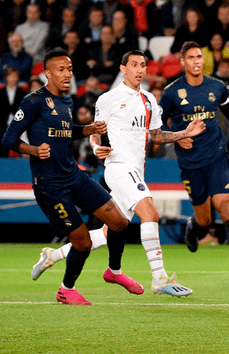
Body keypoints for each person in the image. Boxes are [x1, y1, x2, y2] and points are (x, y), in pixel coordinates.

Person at [30, 50, 206, 296]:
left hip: (136, 171)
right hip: (118, 167)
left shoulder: (149, 100)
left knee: (108, 231)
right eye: (134, 65)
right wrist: (95, 146)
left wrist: (184, 133)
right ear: (123, 69)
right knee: (150, 213)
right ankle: (160, 279)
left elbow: (157, 136)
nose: (140, 69)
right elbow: (95, 131)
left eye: (143, 65)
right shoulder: (108, 99)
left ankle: (54, 255)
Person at [2, 48, 135, 305]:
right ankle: (66, 289)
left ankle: (114, 272)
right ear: (47, 74)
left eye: (70, 69)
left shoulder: (67, 101)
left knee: (119, 222)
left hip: (74, 175)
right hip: (50, 185)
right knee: (83, 243)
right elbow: (8, 138)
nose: (67, 74)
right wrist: (33, 150)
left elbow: (64, 132)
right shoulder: (33, 101)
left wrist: (88, 130)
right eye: (61, 69)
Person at [158, 41, 229, 285]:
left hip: (216, 155)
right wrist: (178, 138)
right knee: (205, 219)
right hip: (191, 162)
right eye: (191, 57)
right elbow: (158, 126)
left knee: (225, 205)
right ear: (183, 62)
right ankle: (194, 224)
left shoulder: (217, 86)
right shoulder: (171, 92)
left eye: (199, 57)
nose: (196, 61)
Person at [0, 68, 28, 157]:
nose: (12, 78)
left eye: (14, 76)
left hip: (18, 124)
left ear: (18, 78)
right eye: (10, 76)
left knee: (23, 146)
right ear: (6, 77)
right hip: (2, 125)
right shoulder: (1, 92)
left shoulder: (22, 93)